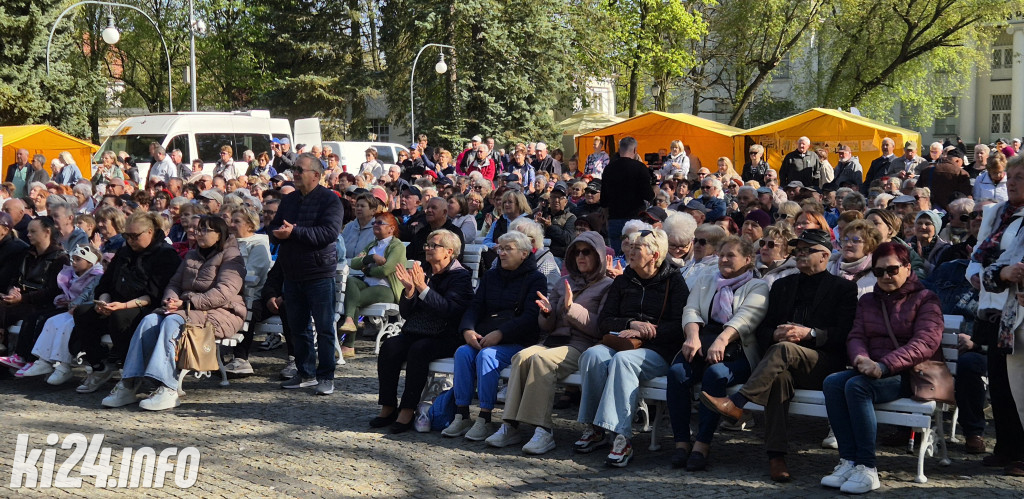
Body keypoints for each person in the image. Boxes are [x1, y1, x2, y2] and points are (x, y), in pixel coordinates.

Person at [700, 228, 857, 482]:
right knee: (779, 378)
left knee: (784, 350)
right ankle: (776, 458)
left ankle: (737, 403)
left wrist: (810, 334)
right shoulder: (783, 285)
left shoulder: (843, 289)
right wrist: (775, 334)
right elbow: (762, 329)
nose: (801, 255)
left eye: (808, 250)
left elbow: (844, 333)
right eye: (799, 250)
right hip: (779, 363)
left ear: (825, 255)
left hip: (822, 364)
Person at [820, 242, 943, 493]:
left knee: (857, 387)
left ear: (908, 268)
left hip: (911, 374)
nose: (886, 276)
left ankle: (867, 468)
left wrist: (884, 365)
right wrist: (862, 360)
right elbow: (856, 336)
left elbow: (926, 342)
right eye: (878, 271)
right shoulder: (867, 301)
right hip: (872, 369)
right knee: (832, 382)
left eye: (892, 270)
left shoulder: (926, 299)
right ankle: (849, 460)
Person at [101, 215, 246, 411]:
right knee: (150, 320)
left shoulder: (231, 257)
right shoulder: (192, 255)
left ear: (219, 234)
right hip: (185, 308)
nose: (198, 233)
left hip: (222, 312)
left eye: (205, 230)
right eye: (198, 229)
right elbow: (174, 283)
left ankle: (167, 387)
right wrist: (170, 300)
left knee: (172, 323)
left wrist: (186, 303)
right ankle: (129, 382)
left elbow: (223, 292)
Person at [484, 232, 612, 453]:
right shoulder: (564, 282)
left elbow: (599, 328)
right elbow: (546, 326)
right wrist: (546, 313)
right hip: (555, 340)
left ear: (599, 254)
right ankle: (510, 425)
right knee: (522, 356)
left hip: (582, 344)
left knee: (541, 360)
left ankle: (543, 430)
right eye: (576, 252)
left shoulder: (607, 285)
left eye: (587, 252)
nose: (581, 256)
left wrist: (572, 310)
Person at [575, 229, 688, 467]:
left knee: (623, 362)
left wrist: (650, 330)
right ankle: (594, 428)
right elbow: (605, 320)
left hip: (659, 350)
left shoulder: (674, 282)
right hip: (623, 341)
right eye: (631, 247)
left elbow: (680, 325)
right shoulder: (624, 280)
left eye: (637, 248)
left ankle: (621, 437)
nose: (630, 252)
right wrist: (631, 324)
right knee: (593, 355)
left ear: (654, 255)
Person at [667, 236, 769, 470]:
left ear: (747, 259)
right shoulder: (706, 280)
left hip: (738, 350)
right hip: (702, 342)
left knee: (716, 374)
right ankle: (681, 442)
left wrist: (722, 340)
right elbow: (691, 309)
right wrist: (692, 336)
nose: (723, 259)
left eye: (730, 255)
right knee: (676, 373)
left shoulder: (758, 285)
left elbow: (747, 318)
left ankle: (702, 444)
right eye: (722, 254)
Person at [442, 231, 546, 440]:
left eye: (509, 249)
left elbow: (530, 317)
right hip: (486, 335)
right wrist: (468, 330)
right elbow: (475, 306)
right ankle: (461, 415)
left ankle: (485, 417)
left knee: (487, 356)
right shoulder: (491, 275)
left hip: (518, 340)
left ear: (524, 254)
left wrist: (501, 333)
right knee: (463, 352)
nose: (502, 253)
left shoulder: (536, 279)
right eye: (500, 248)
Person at [68, 211, 181, 393]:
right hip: (116, 303)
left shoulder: (165, 255)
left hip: (147, 306)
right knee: (83, 313)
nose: (130, 240)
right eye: (127, 236)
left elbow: (156, 294)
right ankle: (99, 366)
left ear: (150, 232)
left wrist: (123, 305)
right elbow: (105, 282)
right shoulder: (124, 251)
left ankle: (130, 372)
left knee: (120, 317)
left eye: (135, 236)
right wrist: (103, 300)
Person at [373, 229, 474, 433]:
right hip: (417, 330)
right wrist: (409, 292)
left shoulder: (460, 276)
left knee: (419, 350)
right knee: (390, 346)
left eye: (433, 245)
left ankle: (408, 409)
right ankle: (388, 405)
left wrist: (423, 289)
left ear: (449, 251)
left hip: (446, 335)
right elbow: (407, 314)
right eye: (427, 245)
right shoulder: (424, 270)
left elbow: (450, 311)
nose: (427, 248)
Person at [267, 153, 345, 394]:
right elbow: (274, 227)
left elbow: (328, 234)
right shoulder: (289, 201)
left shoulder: (330, 201)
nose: (296, 173)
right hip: (292, 272)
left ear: (316, 175)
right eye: (295, 169)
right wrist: (278, 232)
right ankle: (305, 372)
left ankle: (326, 376)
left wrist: (295, 232)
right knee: (297, 326)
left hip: (319, 273)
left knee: (323, 327)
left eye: (300, 169)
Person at [975, 153, 1024, 476]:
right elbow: (980, 252)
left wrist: (1002, 273)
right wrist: (982, 274)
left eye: (1021, 178)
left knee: (1020, 384)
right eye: (1013, 176)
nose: (1014, 182)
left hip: (1016, 311)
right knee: (1001, 382)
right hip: (993, 307)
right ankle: (1006, 446)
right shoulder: (996, 213)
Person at [20, 245, 104, 384]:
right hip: (74, 309)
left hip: (87, 312)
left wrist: (77, 305)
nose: (74, 262)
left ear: (90, 262)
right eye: (73, 259)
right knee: (51, 322)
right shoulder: (73, 274)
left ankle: (64, 366)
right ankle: (43, 361)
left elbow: (91, 295)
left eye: (78, 259)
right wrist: (72, 304)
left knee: (66, 327)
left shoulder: (97, 276)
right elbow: (82, 295)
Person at [0, 217, 69, 372]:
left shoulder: (59, 258)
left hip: (40, 303)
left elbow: (53, 290)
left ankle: (21, 356)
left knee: (24, 314)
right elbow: (15, 278)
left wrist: (23, 298)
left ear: (47, 232)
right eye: (29, 231)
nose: (28, 235)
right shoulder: (27, 254)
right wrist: (12, 290)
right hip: (22, 300)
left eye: (33, 231)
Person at [342, 212, 406, 355]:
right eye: (374, 223)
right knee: (351, 281)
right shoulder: (373, 245)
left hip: (387, 289)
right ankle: (349, 321)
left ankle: (348, 344)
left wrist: (367, 271)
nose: (375, 225)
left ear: (391, 228)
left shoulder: (397, 246)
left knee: (354, 299)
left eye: (380, 223)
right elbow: (354, 262)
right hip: (368, 284)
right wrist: (372, 257)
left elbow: (386, 270)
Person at [224, 207, 272, 374]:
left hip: (254, 297)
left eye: (237, 221)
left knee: (244, 307)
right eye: (231, 220)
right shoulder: (227, 243)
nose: (231, 224)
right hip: (226, 293)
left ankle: (241, 359)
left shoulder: (258, 244)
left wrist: (226, 284)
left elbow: (253, 276)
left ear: (250, 225)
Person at [601, 137, 654, 253]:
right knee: (634, 256)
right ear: (635, 150)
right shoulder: (640, 168)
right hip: (634, 221)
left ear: (619, 150)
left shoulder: (608, 169)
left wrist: (607, 220)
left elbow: (603, 201)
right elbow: (649, 195)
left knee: (617, 259)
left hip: (614, 219)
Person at [829, 220, 882, 297]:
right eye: (845, 239)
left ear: (870, 245)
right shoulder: (828, 267)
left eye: (856, 240)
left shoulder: (877, 274)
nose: (848, 244)